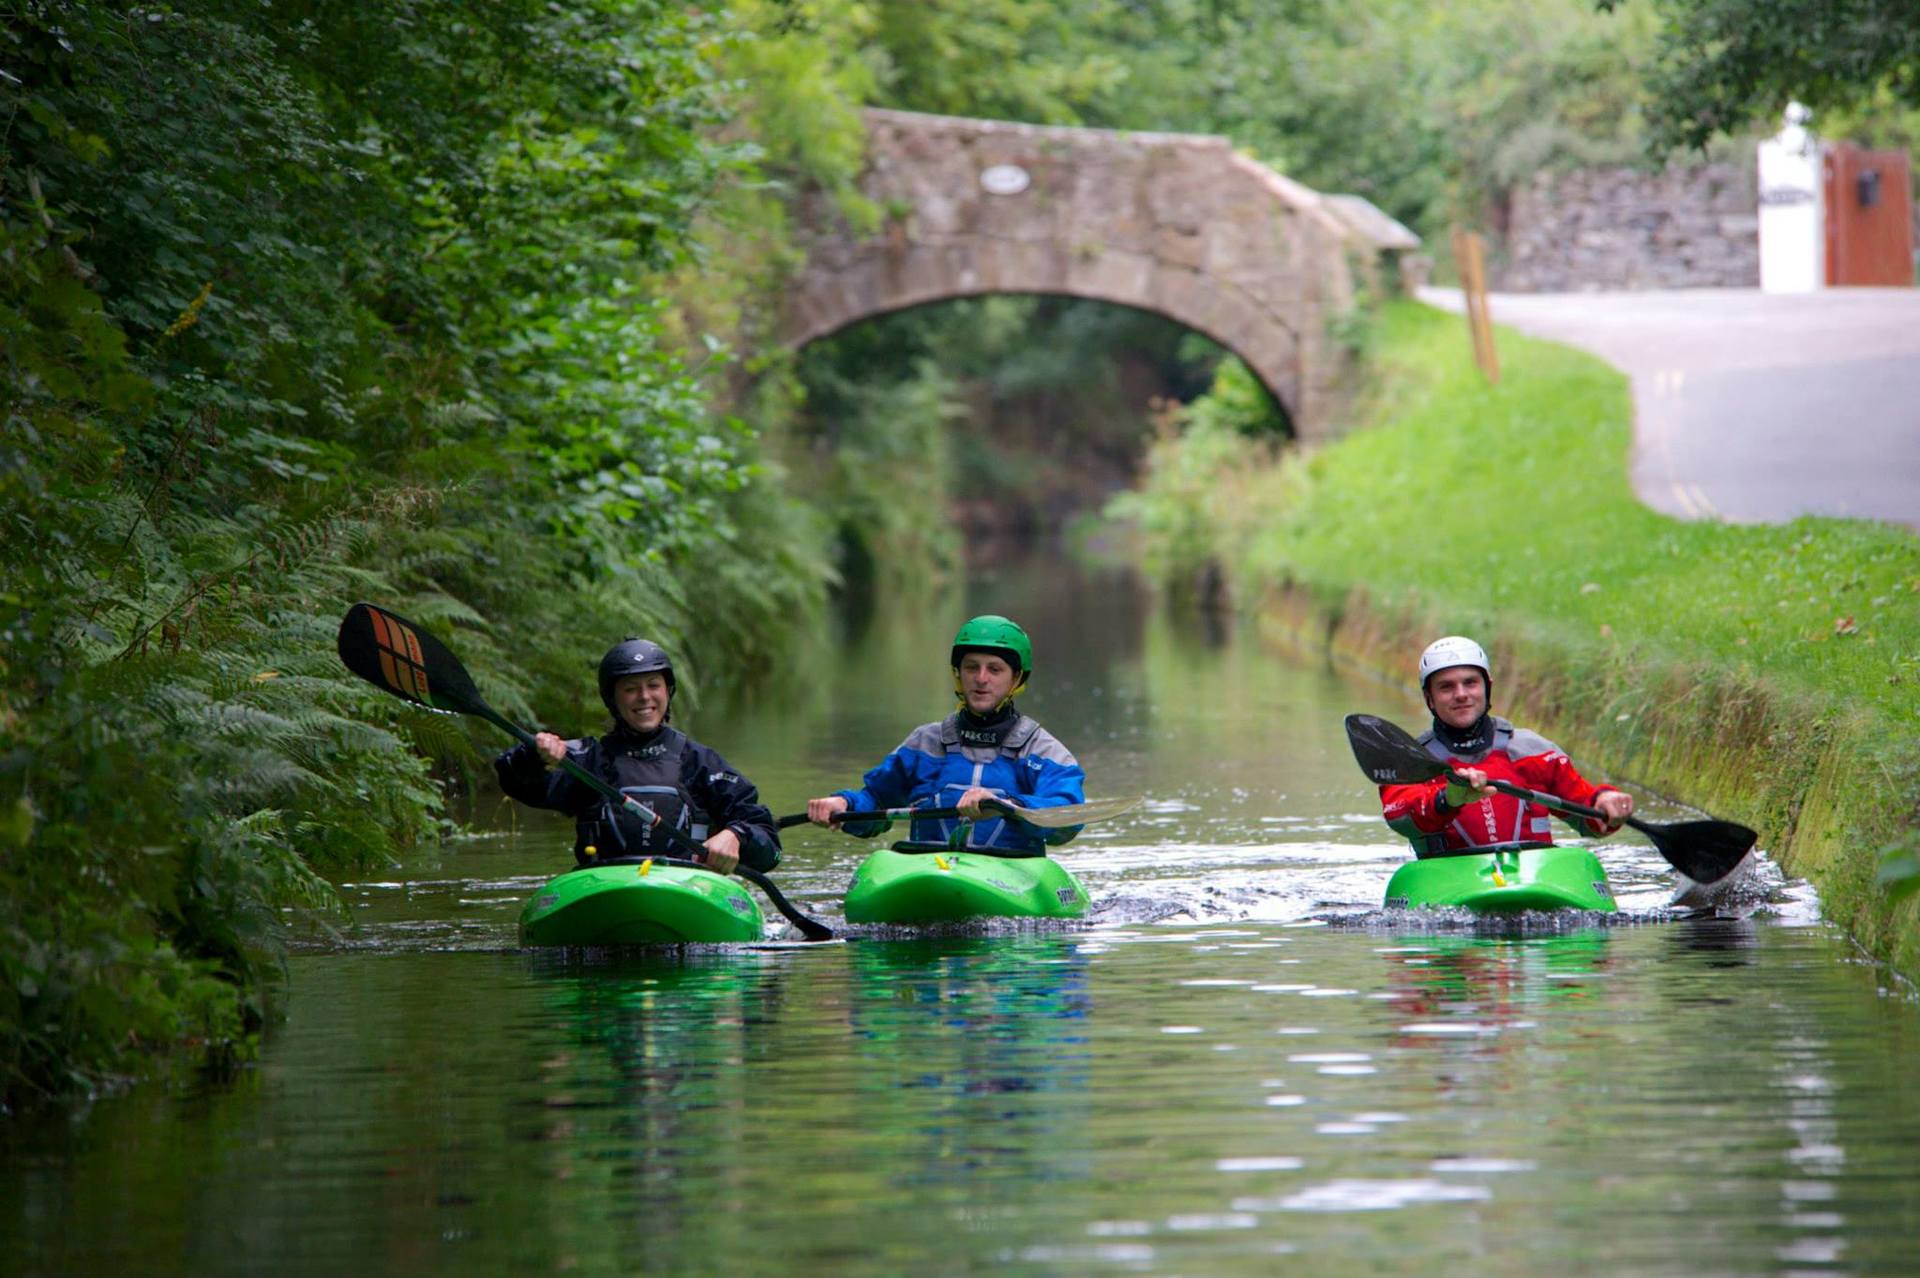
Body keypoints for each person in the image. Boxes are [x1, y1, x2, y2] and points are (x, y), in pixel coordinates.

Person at [804, 615, 1085, 855]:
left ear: (1016, 678)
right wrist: (844, 805)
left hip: (1010, 874)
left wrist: (1009, 805)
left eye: (994, 669)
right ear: (958, 674)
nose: (981, 678)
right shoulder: (924, 743)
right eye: (971, 667)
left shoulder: (1043, 751)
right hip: (930, 870)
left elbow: (1067, 818)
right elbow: (876, 801)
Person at [494, 639, 780, 874]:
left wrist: (737, 835)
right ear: (612, 699)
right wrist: (533, 757)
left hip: (688, 887)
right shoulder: (588, 760)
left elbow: (769, 846)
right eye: (631, 689)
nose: (644, 697)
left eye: (653, 685)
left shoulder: (700, 762)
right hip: (605, 887)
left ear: (668, 691)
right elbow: (516, 782)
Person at [1379, 635, 1634, 856]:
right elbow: (1400, 818)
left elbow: (1589, 817)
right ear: (1429, 698)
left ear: (1487, 687)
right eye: (1446, 687)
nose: (1461, 694)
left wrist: (1604, 801)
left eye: (1470, 682)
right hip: (1451, 880)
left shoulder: (1533, 750)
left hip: (1533, 877)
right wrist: (1448, 798)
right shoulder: (1412, 762)